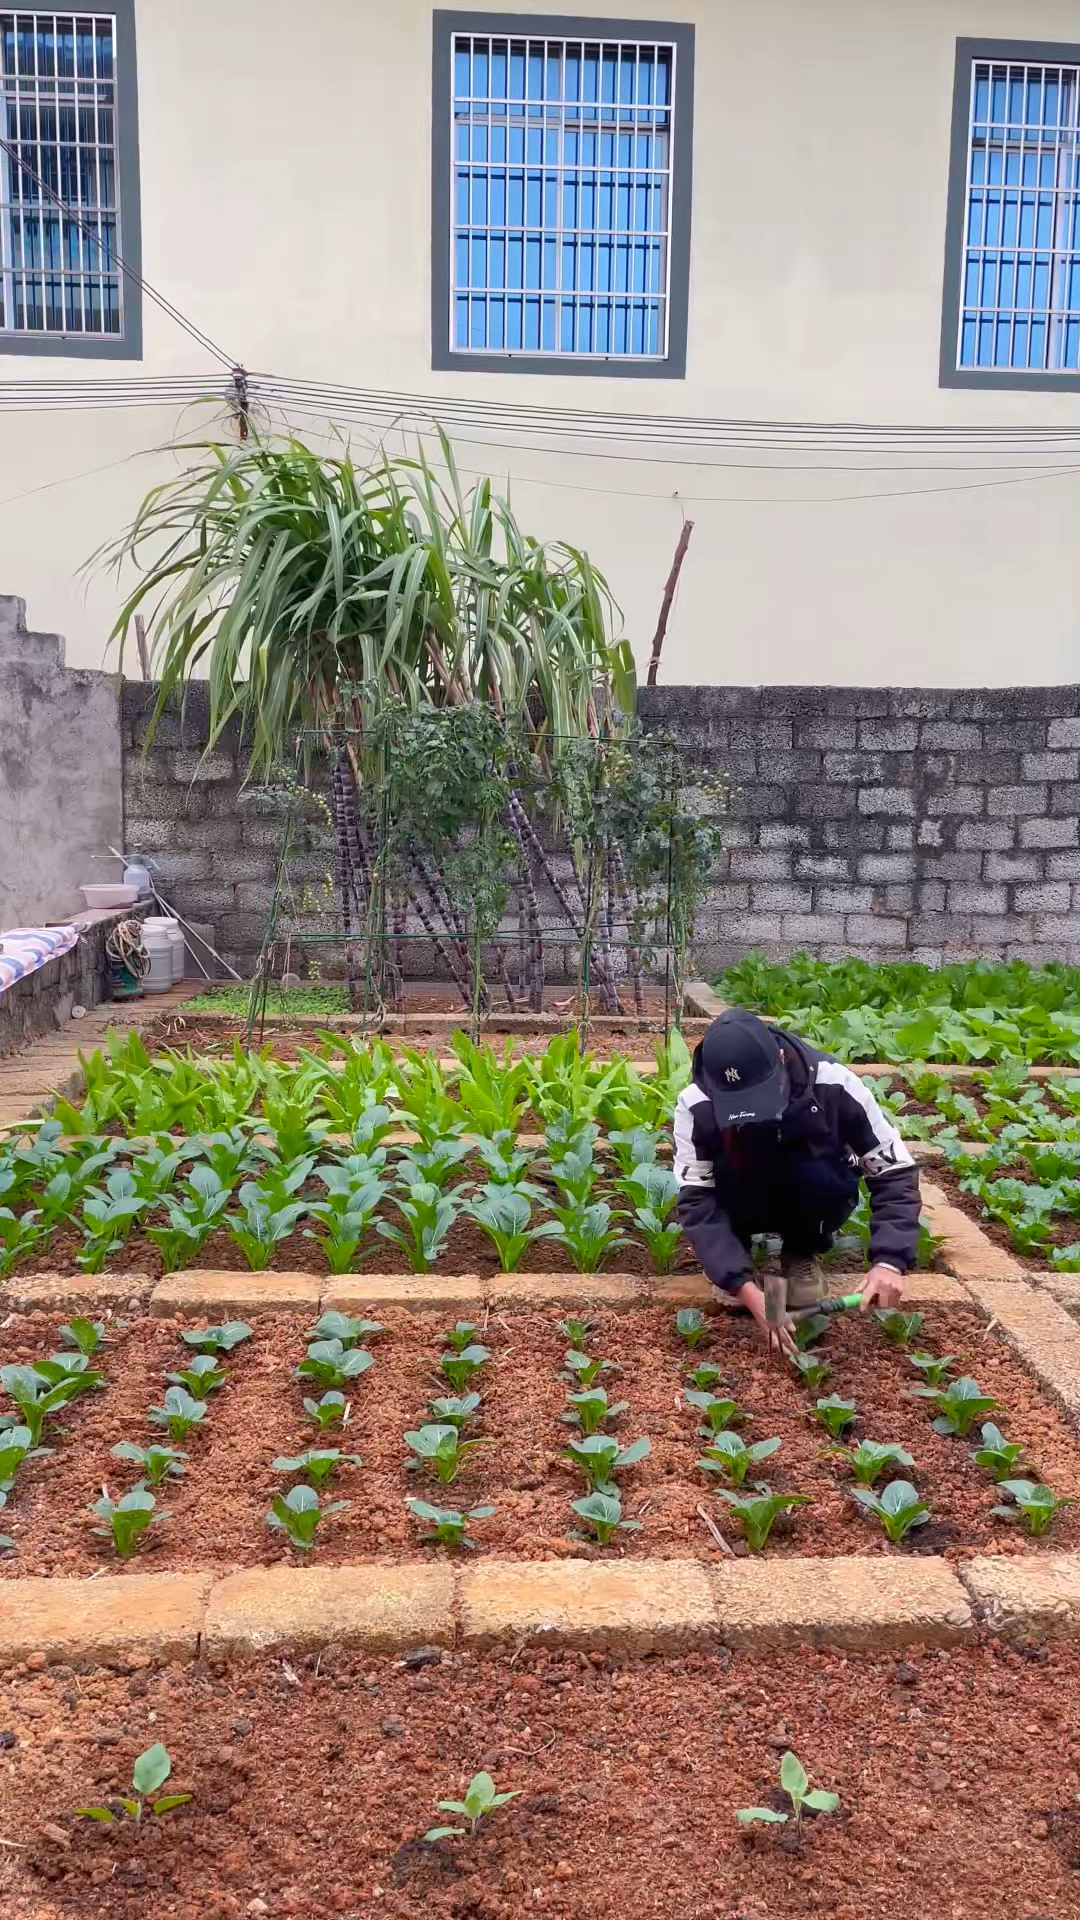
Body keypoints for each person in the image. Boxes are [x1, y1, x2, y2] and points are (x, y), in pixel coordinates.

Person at [673, 1007, 920, 1353]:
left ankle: (802, 1250)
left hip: (807, 1192)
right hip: (741, 1193)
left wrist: (890, 1260)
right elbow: (697, 1199)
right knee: (724, 1172)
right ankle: (737, 1255)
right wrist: (744, 1288)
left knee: (822, 1169)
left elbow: (893, 1170)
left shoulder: (833, 1083)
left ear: (781, 1059)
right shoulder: (696, 1103)